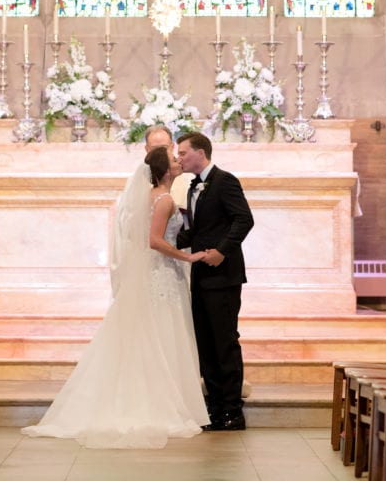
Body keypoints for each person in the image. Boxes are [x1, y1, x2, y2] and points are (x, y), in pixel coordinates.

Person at [22, 146, 209, 448]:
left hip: (155, 275)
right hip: (161, 275)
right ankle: (163, 403)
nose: (178, 162)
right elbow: (154, 241)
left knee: (153, 336)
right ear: (164, 171)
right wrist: (186, 258)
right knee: (164, 335)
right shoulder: (163, 200)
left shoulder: (147, 198)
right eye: (174, 160)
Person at [176, 131, 254, 431]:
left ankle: (233, 410)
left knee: (224, 343)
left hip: (223, 276)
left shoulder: (225, 181)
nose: (179, 158)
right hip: (201, 275)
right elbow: (196, 231)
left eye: (183, 153)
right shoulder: (193, 186)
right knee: (206, 344)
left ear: (201, 152)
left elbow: (244, 219)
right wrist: (160, 242)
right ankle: (215, 408)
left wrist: (222, 251)